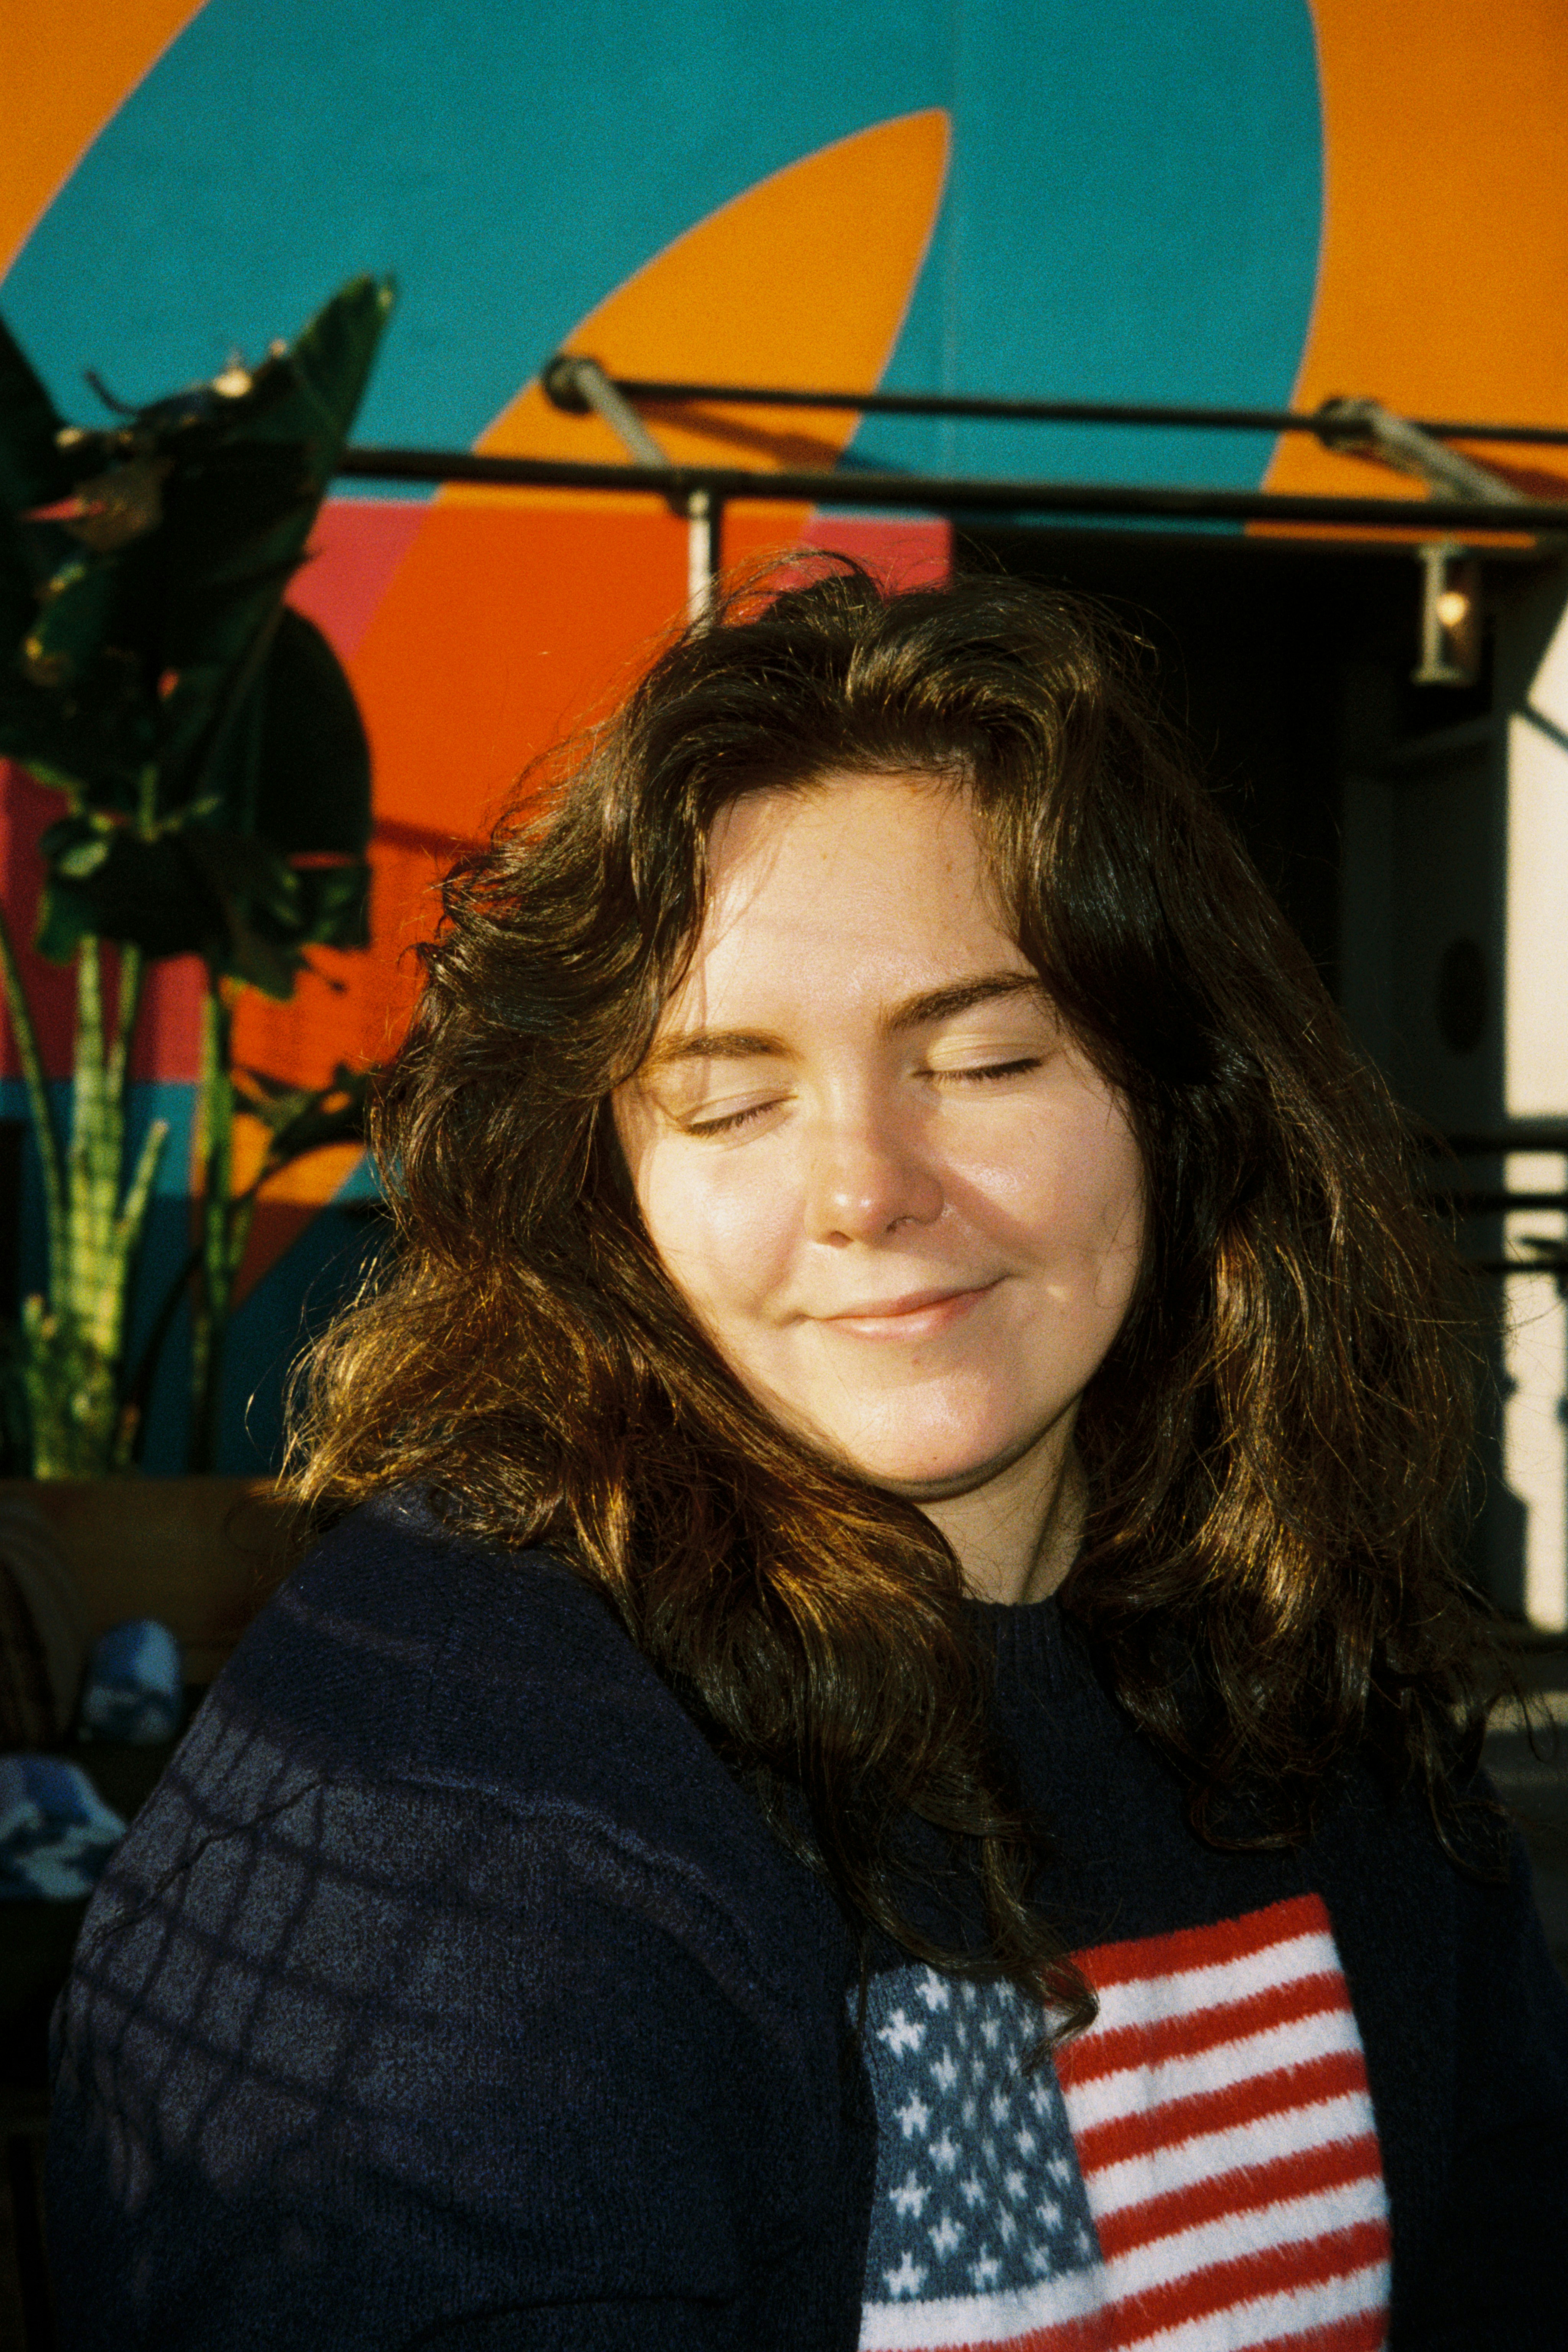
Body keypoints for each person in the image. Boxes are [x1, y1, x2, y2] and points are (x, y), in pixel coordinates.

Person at [46, 567, 1568, 2349]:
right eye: (731, 1099)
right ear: (609, 1179)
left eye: (986, 1060)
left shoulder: (1304, 1671)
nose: (866, 1192)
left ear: (1182, 1097)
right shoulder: (465, 1801)